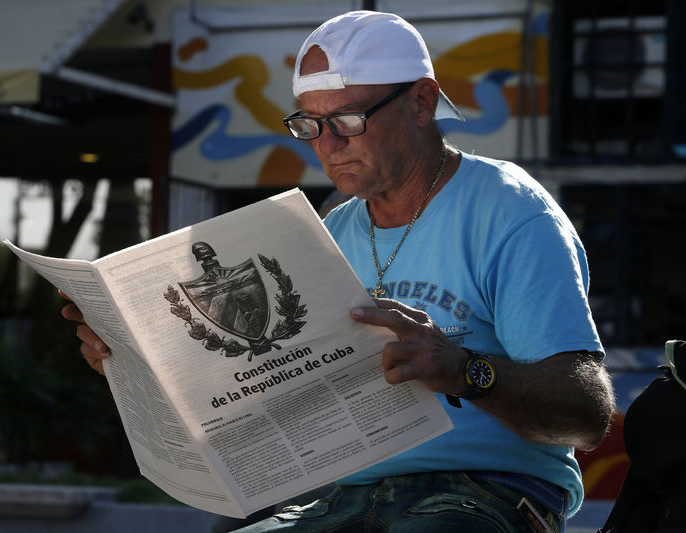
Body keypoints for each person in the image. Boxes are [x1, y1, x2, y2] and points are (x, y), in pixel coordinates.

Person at [63, 11, 615, 532]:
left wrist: (466, 371)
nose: (327, 145)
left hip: (487, 490)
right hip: (343, 498)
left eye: (348, 120)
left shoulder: (509, 209)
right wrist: (142, 367)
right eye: (310, 125)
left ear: (423, 102)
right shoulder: (330, 228)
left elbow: (586, 415)